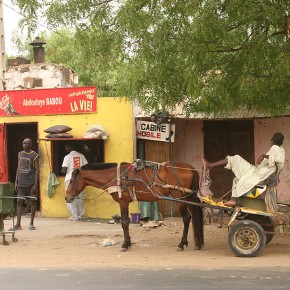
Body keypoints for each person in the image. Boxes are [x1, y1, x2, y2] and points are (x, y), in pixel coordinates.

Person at [202, 132, 285, 207]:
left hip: (257, 175)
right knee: (236, 178)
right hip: (256, 172)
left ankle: (209, 165)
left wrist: (264, 156)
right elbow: (277, 161)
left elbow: (279, 160)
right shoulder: (280, 149)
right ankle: (233, 200)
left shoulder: (275, 147)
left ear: (272, 140)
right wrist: (264, 159)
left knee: (235, 159)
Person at [11, 138, 39, 230]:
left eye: (26, 143)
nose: (24, 144)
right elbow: (18, 169)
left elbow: (37, 171)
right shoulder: (20, 154)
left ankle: (31, 223)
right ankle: (18, 224)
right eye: (23, 143)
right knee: (19, 201)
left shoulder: (35, 155)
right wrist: (16, 181)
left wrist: (35, 185)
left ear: (31, 144)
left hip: (31, 183)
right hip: (21, 183)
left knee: (32, 201)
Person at [61, 142, 88, 221]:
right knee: (80, 197)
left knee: (70, 197)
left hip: (70, 179)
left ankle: (74, 216)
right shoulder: (81, 155)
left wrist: (63, 170)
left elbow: (64, 170)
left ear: (70, 147)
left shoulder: (67, 157)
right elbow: (86, 166)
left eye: (66, 147)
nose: (65, 149)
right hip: (80, 179)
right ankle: (81, 215)